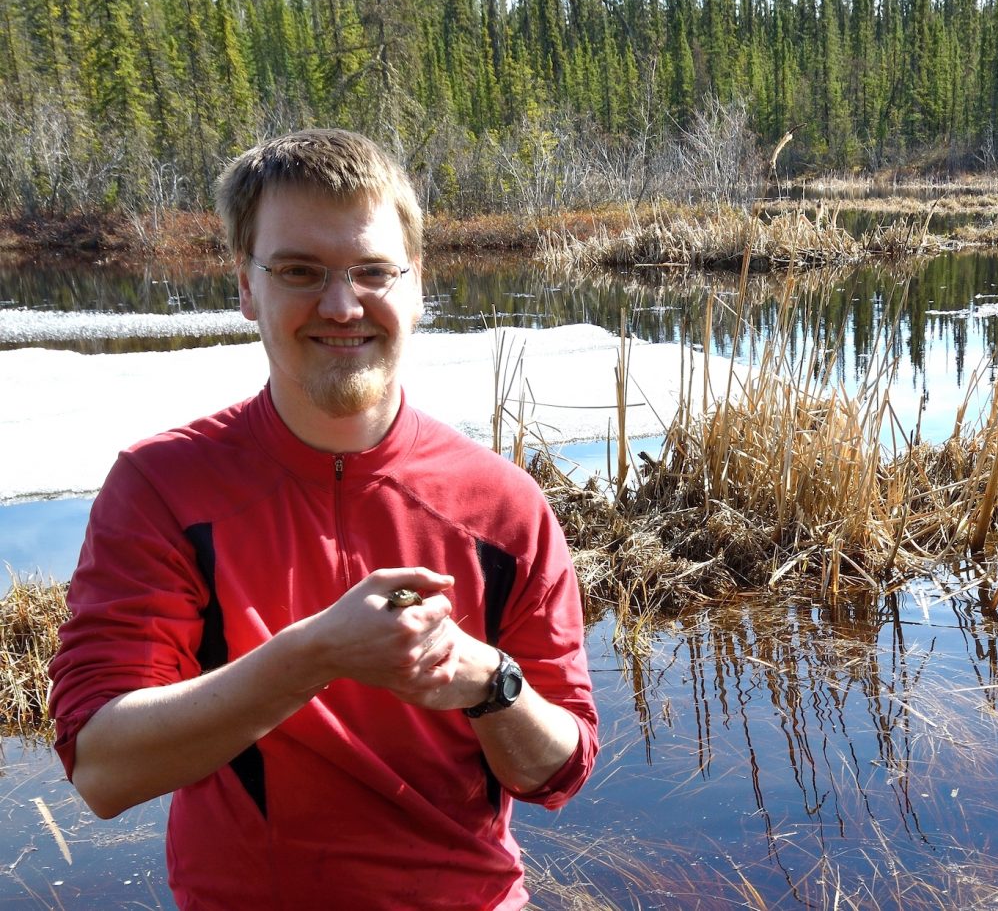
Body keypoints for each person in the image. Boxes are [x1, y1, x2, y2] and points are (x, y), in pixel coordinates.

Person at [48, 128, 598, 910]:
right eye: (300, 271)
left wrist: (487, 682)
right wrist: (315, 655)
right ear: (246, 286)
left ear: (415, 286)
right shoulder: (164, 488)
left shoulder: (503, 505)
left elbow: (559, 771)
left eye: (373, 272)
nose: (342, 306)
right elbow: (103, 770)